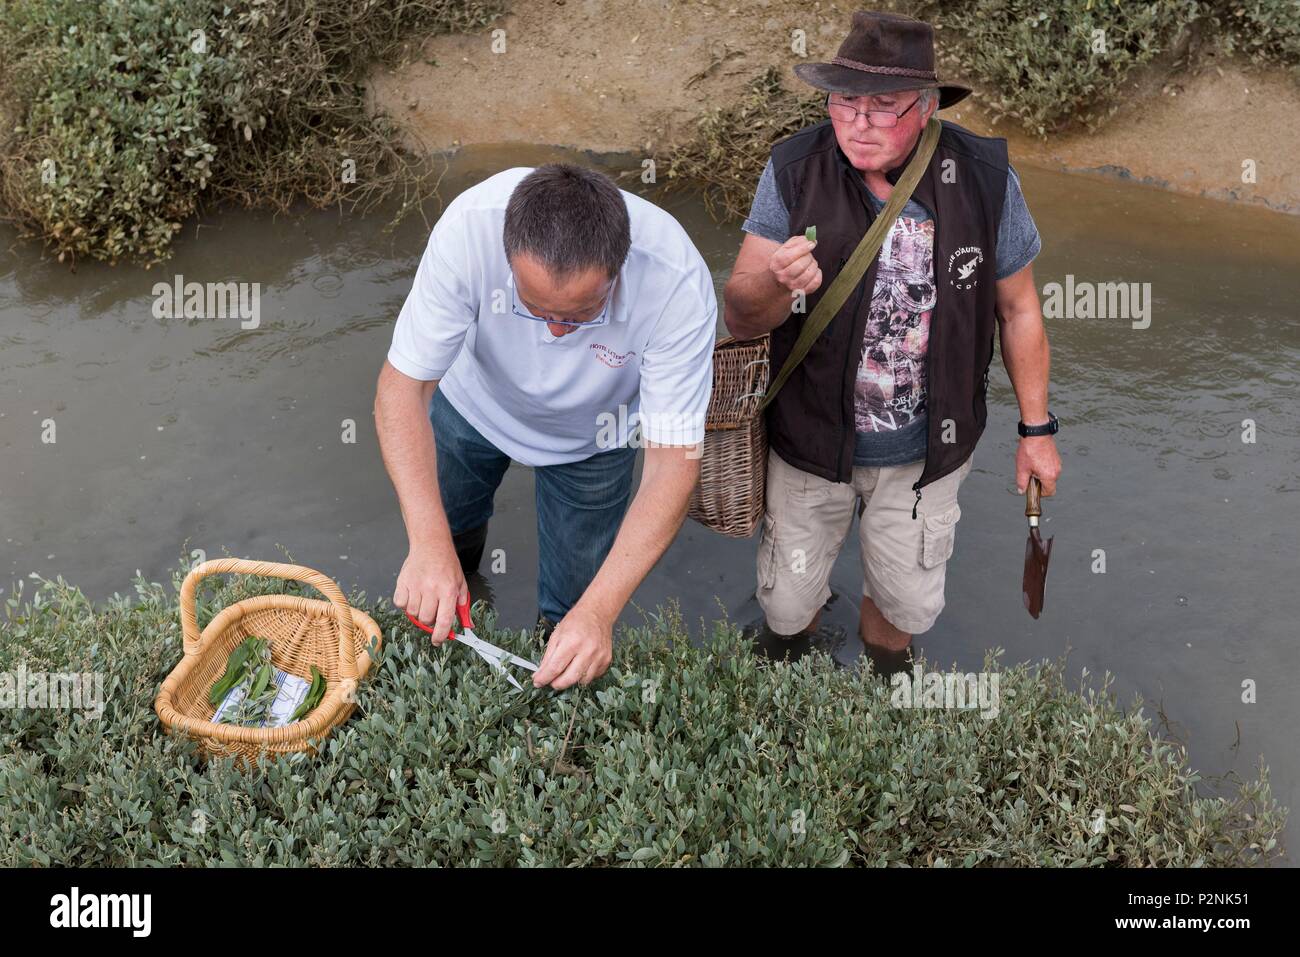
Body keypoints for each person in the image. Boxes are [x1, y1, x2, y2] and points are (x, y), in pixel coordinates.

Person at [723, 11, 1061, 669]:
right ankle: (786, 674)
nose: (860, 122)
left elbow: (1018, 310)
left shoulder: (986, 179)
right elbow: (741, 316)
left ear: (927, 107)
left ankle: (884, 685)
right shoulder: (795, 170)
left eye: (885, 107)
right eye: (846, 102)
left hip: (924, 455)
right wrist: (773, 280)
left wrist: (1037, 431)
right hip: (808, 440)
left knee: (904, 607)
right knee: (786, 605)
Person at [375, 164, 715, 689]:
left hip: (596, 441)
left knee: (574, 608)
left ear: (618, 270)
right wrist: (426, 544)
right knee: (447, 539)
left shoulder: (676, 283)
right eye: (535, 307)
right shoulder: (469, 228)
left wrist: (600, 613)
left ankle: (550, 672)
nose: (556, 331)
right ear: (507, 256)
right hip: (473, 405)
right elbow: (402, 389)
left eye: (581, 313)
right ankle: (449, 613)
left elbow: (672, 462)